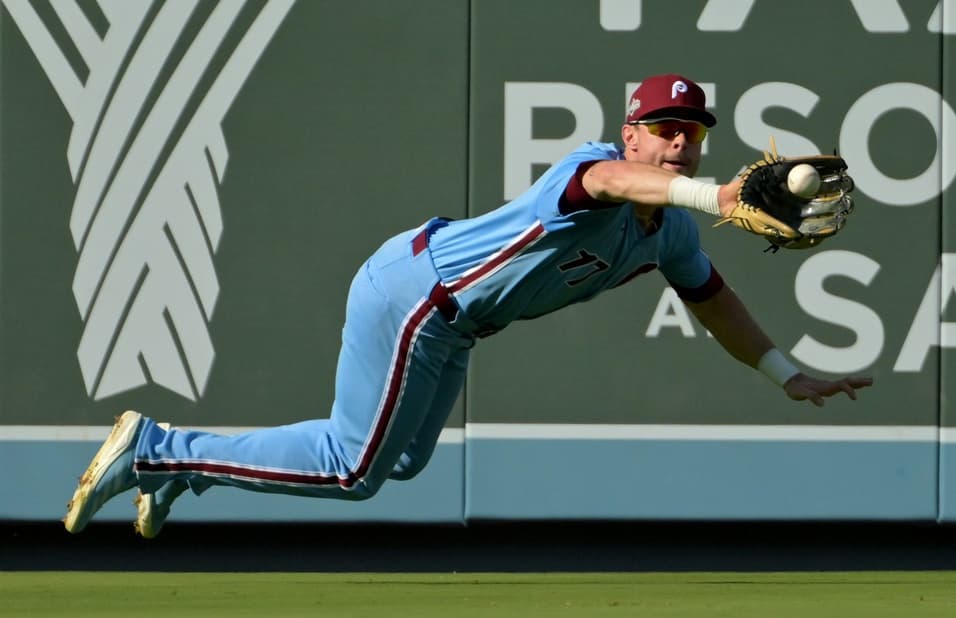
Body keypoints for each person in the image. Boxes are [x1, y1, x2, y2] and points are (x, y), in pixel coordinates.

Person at [64, 74, 873, 538]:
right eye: (663, 128)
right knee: (353, 471)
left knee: (398, 463)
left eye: (692, 132)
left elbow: (715, 302)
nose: (679, 143)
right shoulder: (600, 169)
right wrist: (712, 192)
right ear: (631, 134)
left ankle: (182, 470)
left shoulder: (670, 238)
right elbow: (609, 185)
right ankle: (158, 449)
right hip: (419, 296)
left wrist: (784, 372)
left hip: (456, 322)